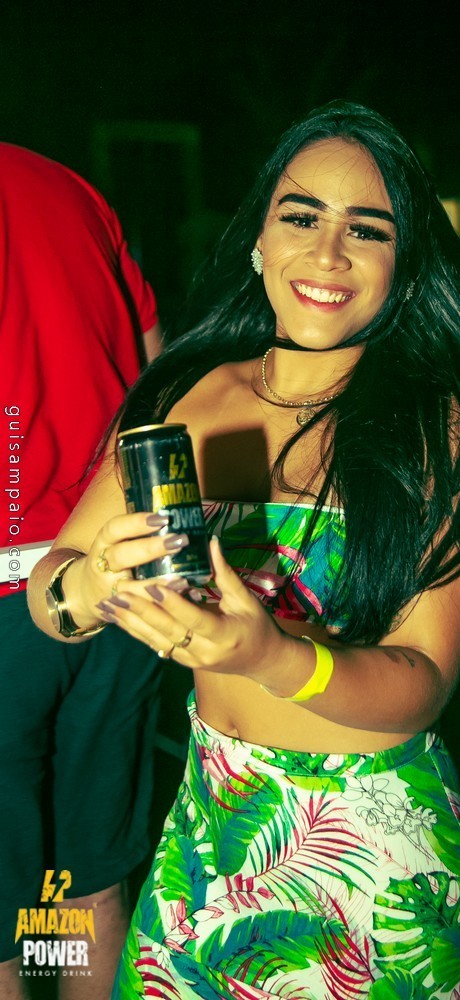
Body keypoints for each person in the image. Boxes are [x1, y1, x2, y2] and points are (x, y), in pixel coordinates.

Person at [27, 102, 460, 999]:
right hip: (208, 839)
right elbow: (52, 584)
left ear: (403, 262)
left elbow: (422, 682)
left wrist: (271, 656)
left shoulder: (433, 425)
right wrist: (86, 589)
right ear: (258, 238)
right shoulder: (198, 396)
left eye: (366, 230)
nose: (327, 254)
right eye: (301, 217)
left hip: (374, 869)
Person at [0, 141, 163, 1000]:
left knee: (3, 909)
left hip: (9, 600)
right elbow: (159, 366)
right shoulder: (68, 187)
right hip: (114, 576)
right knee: (85, 875)